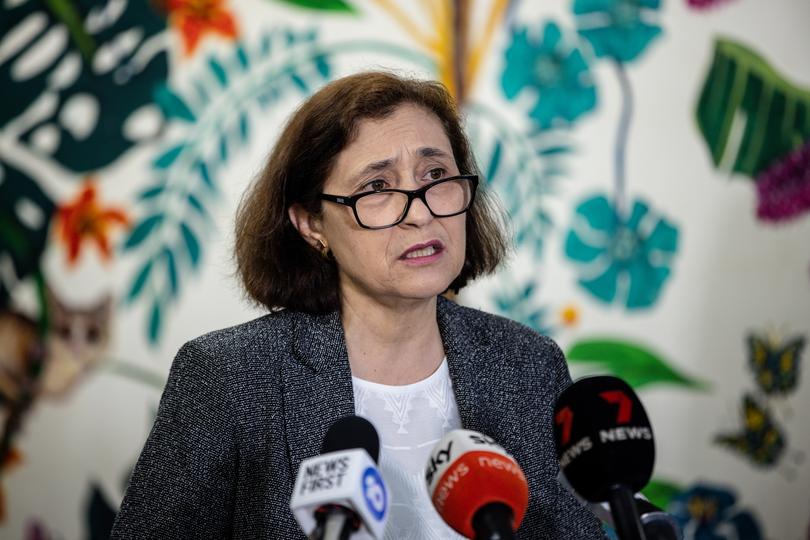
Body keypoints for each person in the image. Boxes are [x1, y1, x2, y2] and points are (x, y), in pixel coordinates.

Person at [111, 71, 606, 539]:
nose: (421, 211)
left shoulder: (528, 364)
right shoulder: (231, 377)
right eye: (377, 187)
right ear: (312, 225)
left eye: (436, 173)